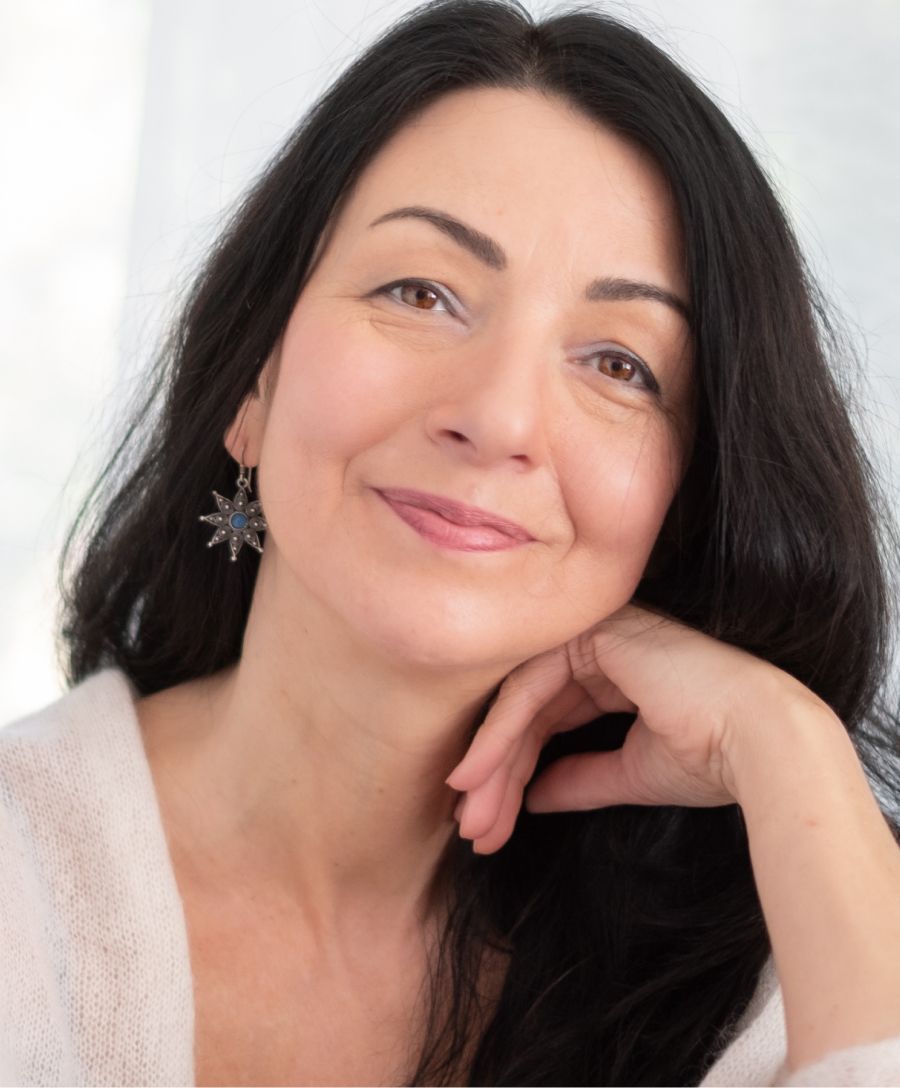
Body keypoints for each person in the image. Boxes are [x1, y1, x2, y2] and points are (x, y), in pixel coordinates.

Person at [2, 0, 899, 1084]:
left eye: (619, 363)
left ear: (682, 500)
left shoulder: (788, 966)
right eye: (420, 292)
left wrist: (786, 738)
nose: (499, 418)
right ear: (253, 381)